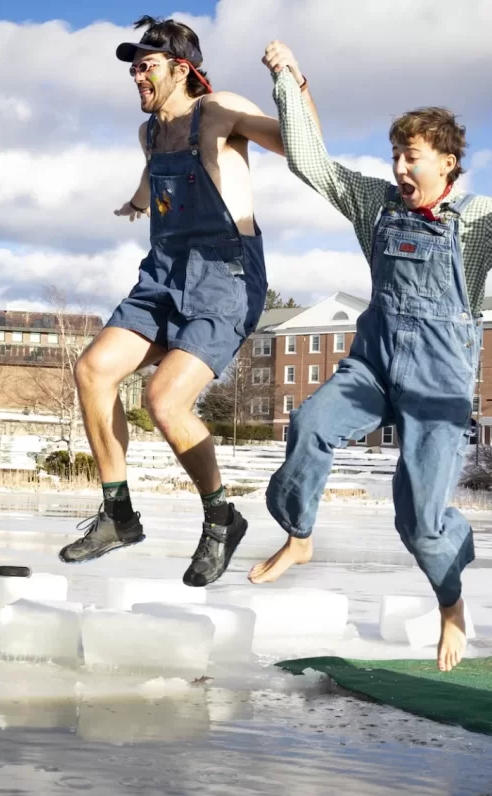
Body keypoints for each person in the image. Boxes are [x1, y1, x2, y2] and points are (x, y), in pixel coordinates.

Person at [248, 41, 492, 673]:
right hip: (374, 362)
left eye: (411, 158)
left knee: (419, 518)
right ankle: (299, 536)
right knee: (309, 425)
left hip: (439, 381)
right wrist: (290, 82)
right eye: (395, 157)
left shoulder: (479, 220)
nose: (401, 169)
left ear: (447, 162)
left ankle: (451, 601)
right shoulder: (377, 205)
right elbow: (309, 161)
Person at [61, 17, 313, 587]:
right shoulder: (150, 133)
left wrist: (294, 80)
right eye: (132, 65)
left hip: (225, 277)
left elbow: (300, 145)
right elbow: (156, 177)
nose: (135, 74)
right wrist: (134, 202)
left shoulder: (219, 111)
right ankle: (119, 516)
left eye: (145, 64)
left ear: (182, 69)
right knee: (94, 370)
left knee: (164, 400)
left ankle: (221, 518)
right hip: (162, 275)